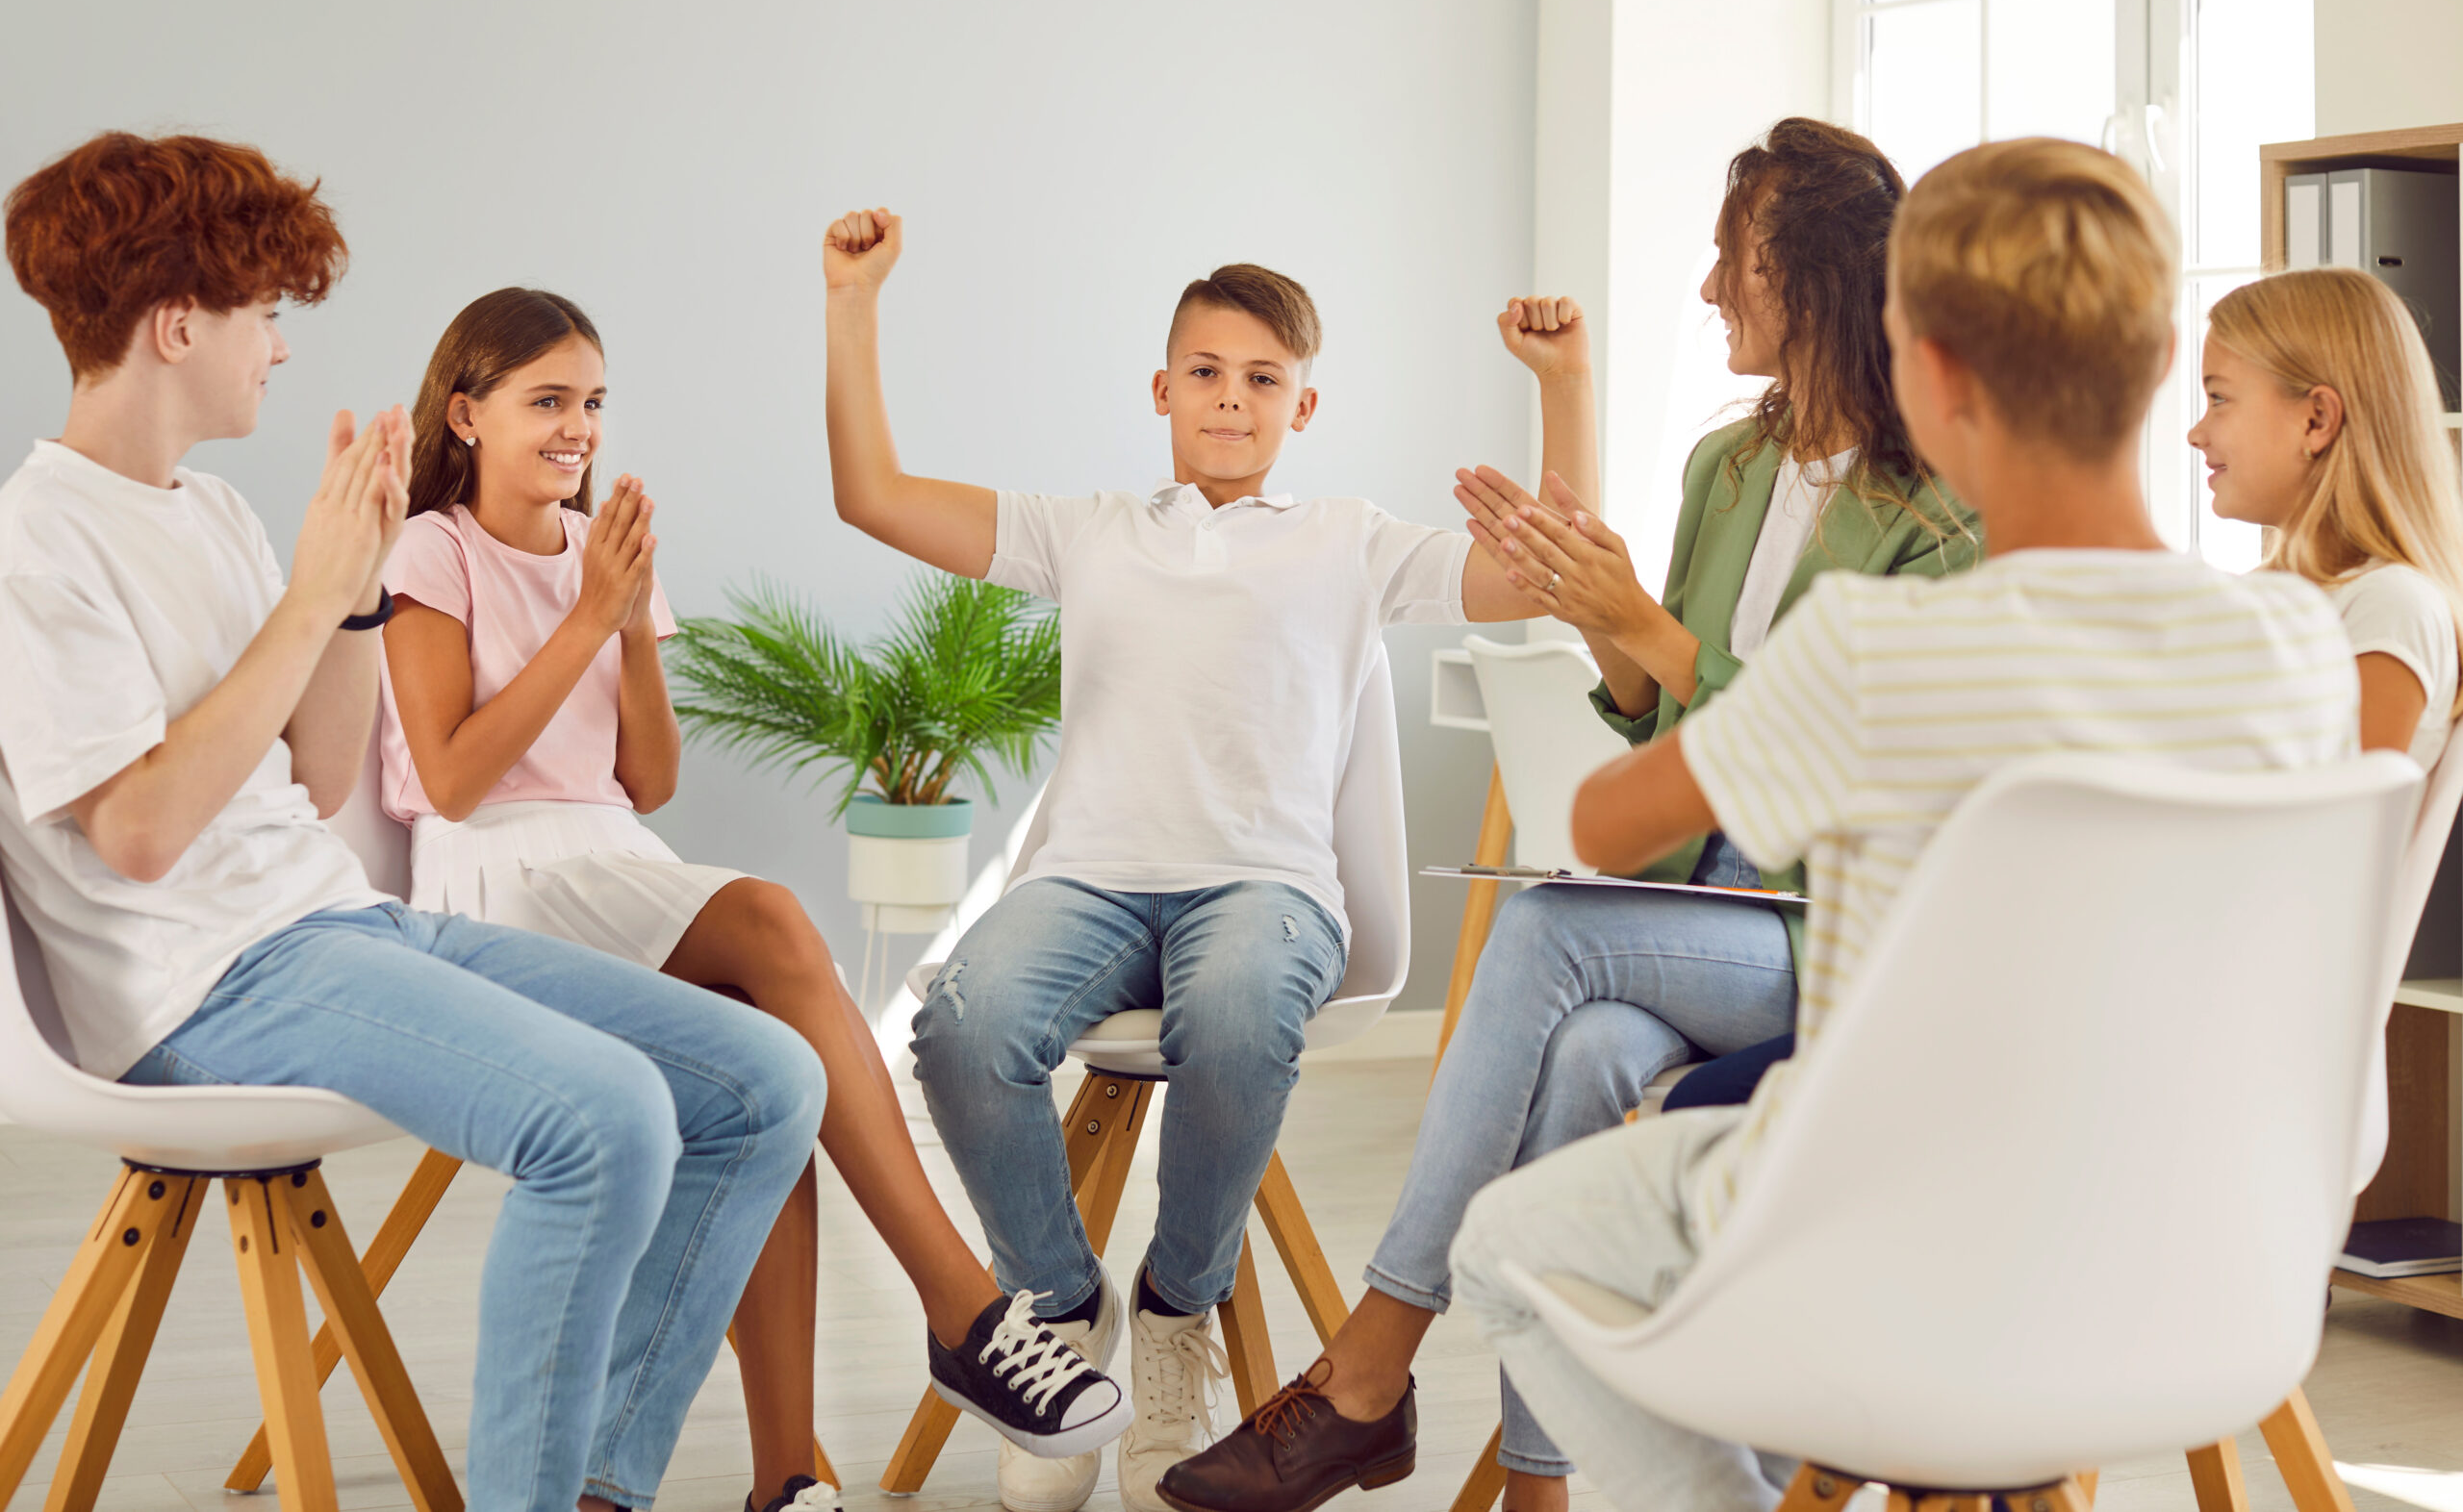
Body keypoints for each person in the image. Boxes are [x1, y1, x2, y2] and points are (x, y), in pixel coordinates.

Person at [1413, 139, 2353, 1511]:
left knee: (1511, 1248)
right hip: (2220, 1271)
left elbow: (1610, 826)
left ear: (1930, 370)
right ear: (2162, 369)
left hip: (1901, 1251)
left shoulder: (1874, 650)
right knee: (1604, 1057)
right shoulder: (2297, 647)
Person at [1157, 117, 1977, 1512]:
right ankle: (1536, 1486)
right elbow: (1663, 719)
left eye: (1735, 263)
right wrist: (1603, 616)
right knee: (1588, 1049)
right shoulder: (1729, 468)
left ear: (1811, 275)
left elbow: (1842, 760)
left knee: (1542, 934)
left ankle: (1368, 1367)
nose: (1713, 290)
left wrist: (1646, 628)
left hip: (1832, 929)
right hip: (1702, 906)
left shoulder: (1936, 514)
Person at [0, 131, 825, 1512]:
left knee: (764, 1079)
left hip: (334, 922)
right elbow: (139, 832)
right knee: (609, 1114)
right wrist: (313, 591)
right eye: (264, 311)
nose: (276, 346)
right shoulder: (36, 541)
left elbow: (316, 777)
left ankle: (592, 1485)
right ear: (177, 320)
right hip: (198, 983)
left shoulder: (209, 510)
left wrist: (358, 584)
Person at [823, 208, 1591, 1512]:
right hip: (1087, 882)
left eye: (1263, 379)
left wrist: (1563, 391)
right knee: (960, 1019)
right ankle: (1062, 1314)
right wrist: (853, 302)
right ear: (1162, 388)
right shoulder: (1091, 527)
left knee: (1236, 1013)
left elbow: (1545, 577)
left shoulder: (1349, 535)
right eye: (1208, 373)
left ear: (1304, 401)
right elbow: (873, 495)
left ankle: (1179, 1301)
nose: (1232, 400)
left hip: (1264, 889)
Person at [376, 290, 1129, 1512]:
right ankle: (964, 1306)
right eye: (548, 401)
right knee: (776, 922)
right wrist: (588, 618)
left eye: (593, 403)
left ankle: (790, 1474)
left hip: (610, 856)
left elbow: (647, 780)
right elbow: (453, 777)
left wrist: (625, 626)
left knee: (768, 1071)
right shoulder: (434, 551)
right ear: (466, 412)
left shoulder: (599, 549)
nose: (578, 429)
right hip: (493, 887)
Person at [2189, 267, 2463, 767]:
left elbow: (2327, 830)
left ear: (2316, 420)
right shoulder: (2281, 600)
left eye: (2219, 398)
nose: (2196, 433)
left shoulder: (2391, 607)